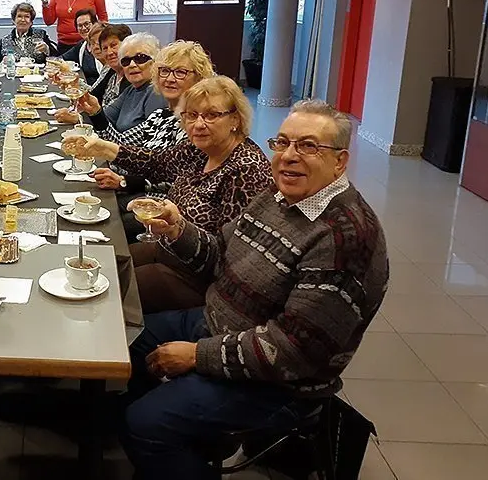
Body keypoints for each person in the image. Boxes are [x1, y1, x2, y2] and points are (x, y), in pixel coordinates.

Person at [120, 99, 388, 480]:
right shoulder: (278, 197)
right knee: (127, 339)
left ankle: (162, 442)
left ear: (340, 161)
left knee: (145, 423)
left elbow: (292, 351)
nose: (289, 156)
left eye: (309, 146)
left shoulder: (342, 238)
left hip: (279, 384)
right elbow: (220, 256)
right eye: (282, 143)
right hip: (218, 324)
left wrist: (198, 356)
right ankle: (171, 444)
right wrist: (178, 229)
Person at [68, 76, 272, 310]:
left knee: (107, 294)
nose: (199, 124)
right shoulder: (201, 148)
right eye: (192, 115)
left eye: (212, 115)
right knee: (100, 264)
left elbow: (230, 258)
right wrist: (101, 146)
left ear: (235, 118)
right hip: (170, 248)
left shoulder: (246, 170)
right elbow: (157, 163)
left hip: (200, 277)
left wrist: (178, 229)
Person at [88, 41, 217, 242]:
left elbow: (175, 183)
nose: (170, 79)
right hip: (142, 190)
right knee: (94, 206)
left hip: (171, 208)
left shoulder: (199, 126)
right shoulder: (161, 115)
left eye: (180, 72)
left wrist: (124, 182)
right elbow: (126, 146)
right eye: (164, 71)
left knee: (107, 222)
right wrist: (96, 118)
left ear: (200, 78)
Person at [77, 32, 166, 132]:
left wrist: (92, 114)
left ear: (156, 61)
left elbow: (134, 143)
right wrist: (93, 112)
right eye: (126, 61)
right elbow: (105, 118)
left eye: (140, 58)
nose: (132, 65)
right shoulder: (131, 90)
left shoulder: (157, 93)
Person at [57, 23, 132, 125]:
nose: (109, 52)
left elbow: (113, 120)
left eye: (113, 45)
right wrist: (75, 84)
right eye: (104, 48)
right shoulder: (112, 72)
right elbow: (92, 96)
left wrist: (79, 119)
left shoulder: (131, 79)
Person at [61, 8, 102, 82]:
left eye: (86, 24)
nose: (83, 28)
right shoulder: (81, 46)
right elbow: (61, 59)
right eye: (80, 25)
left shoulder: (103, 46)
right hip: (84, 87)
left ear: (95, 24)